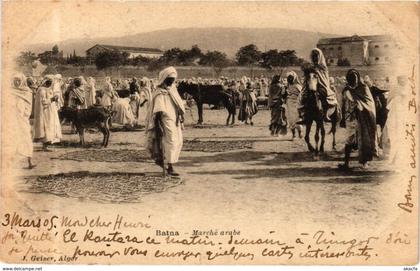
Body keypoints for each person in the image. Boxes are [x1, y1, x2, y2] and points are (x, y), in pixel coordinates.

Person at [145, 67, 185, 176]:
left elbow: (179, 104)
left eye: (173, 79)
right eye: (170, 79)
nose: (171, 82)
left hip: (175, 120)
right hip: (165, 121)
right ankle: (169, 166)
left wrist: (181, 115)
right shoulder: (159, 93)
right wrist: (158, 125)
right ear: (164, 79)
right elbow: (158, 112)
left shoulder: (173, 90)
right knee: (170, 141)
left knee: (178, 141)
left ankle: (169, 164)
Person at [339, 69, 376, 169]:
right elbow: (343, 105)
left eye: (355, 78)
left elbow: (369, 104)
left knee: (364, 140)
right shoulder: (346, 91)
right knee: (349, 140)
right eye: (351, 79)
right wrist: (342, 119)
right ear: (348, 79)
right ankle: (346, 163)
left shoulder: (364, 88)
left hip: (363, 119)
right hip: (351, 119)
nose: (354, 81)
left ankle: (364, 162)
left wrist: (359, 106)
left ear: (358, 78)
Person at [297, 48, 338, 123]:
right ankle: (302, 115)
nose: (315, 58)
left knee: (324, 94)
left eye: (316, 56)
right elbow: (306, 72)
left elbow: (323, 77)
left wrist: (315, 71)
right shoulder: (310, 66)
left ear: (319, 57)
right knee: (302, 95)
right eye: (313, 56)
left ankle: (326, 114)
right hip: (311, 85)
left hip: (321, 85)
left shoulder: (323, 66)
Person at [6, 73, 35, 168]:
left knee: (26, 138)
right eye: (15, 80)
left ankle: (29, 161)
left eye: (19, 80)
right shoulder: (10, 91)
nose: (17, 82)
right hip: (12, 119)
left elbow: (29, 106)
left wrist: (25, 114)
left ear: (22, 81)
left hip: (22, 119)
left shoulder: (27, 92)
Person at [33, 76, 62, 151]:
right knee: (46, 127)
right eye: (49, 81)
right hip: (45, 112)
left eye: (51, 82)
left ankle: (46, 145)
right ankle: (45, 146)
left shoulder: (48, 89)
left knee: (50, 127)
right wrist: (52, 99)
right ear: (45, 81)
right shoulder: (41, 90)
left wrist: (55, 99)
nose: (50, 83)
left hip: (50, 111)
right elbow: (43, 102)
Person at [285, 71, 303, 138]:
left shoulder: (298, 86)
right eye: (289, 78)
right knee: (291, 119)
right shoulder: (288, 86)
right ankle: (293, 134)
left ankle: (299, 133)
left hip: (296, 103)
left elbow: (302, 95)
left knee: (297, 119)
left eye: (291, 78)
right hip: (289, 104)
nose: (290, 80)